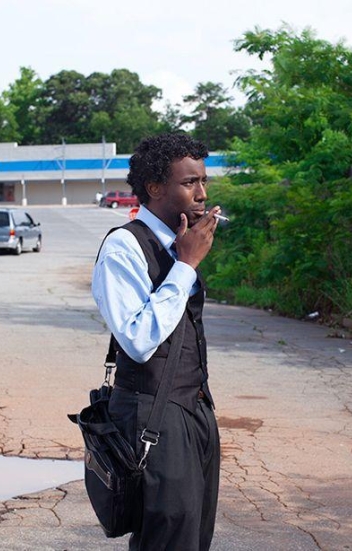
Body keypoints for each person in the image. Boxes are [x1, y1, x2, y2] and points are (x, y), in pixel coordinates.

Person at [91, 133, 222, 550]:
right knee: (167, 540)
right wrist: (185, 266)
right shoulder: (123, 248)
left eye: (204, 181)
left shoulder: (179, 243)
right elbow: (137, 340)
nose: (201, 193)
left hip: (194, 409)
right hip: (151, 416)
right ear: (154, 188)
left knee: (194, 536)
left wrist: (184, 258)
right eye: (189, 183)